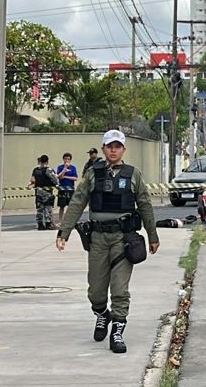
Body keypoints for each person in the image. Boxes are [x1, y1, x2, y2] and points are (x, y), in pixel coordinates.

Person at [55, 130, 160, 354]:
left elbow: (145, 205)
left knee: (120, 289)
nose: (113, 150)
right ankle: (103, 315)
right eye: (109, 146)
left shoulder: (134, 174)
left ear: (123, 149)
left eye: (117, 146)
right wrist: (64, 232)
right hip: (98, 240)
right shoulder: (93, 174)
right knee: (96, 291)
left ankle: (118, 331)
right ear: (103, 149)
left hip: (124, 240)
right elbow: (77, 202)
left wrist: (153, 235)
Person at [31, 154, 59, 230]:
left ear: (40, 161)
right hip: (47, 191)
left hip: (38, 191)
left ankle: (40, 225)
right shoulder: (49, 170)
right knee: (47, 207)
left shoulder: (36, 170)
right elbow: (55, 180)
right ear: (47, 161)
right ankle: (48, 224)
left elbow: (32, 180)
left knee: (39, 208)